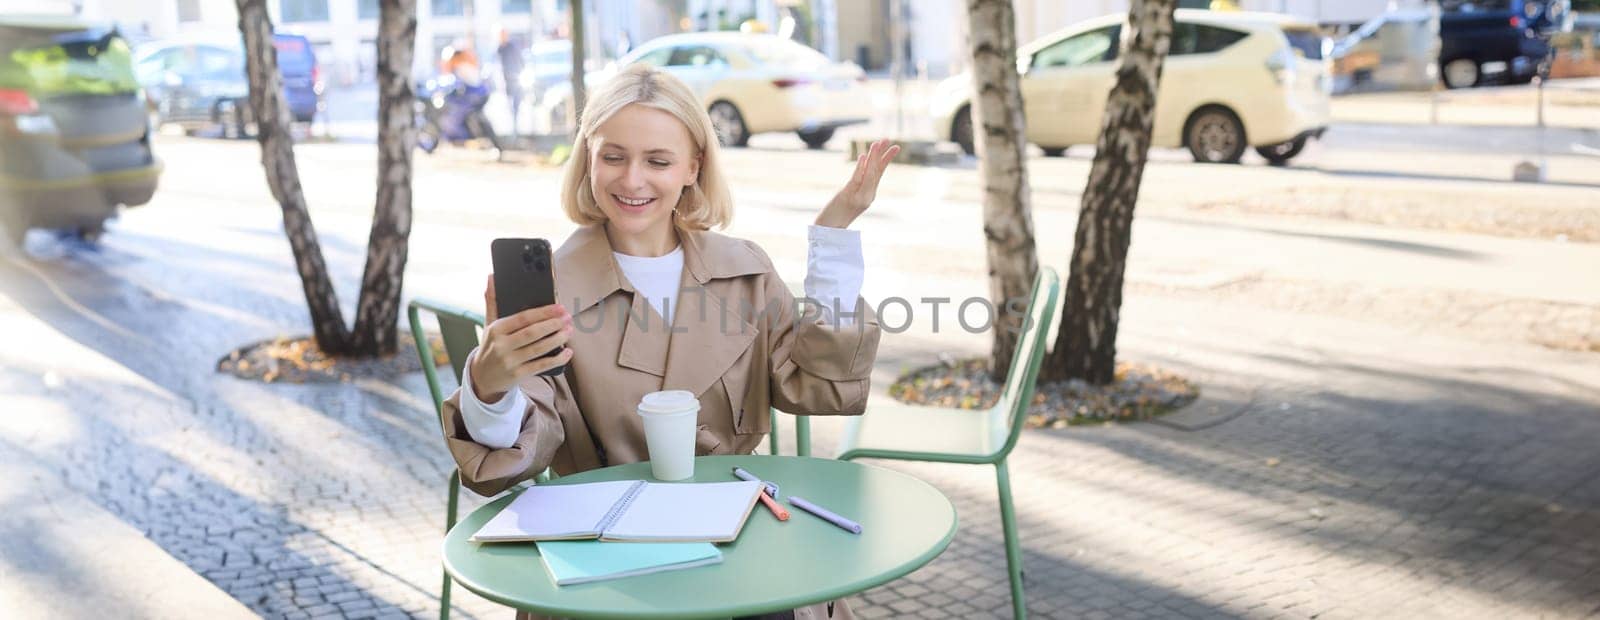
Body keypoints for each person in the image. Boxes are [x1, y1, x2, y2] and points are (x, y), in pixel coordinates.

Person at [437, 64, 899, 620]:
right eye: (613, 156)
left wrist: (834, 240)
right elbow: (508, 461)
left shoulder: (744, 271)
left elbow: (820, 389)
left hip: (738, 545)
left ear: (692, 167)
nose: (632, 181)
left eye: (657, 161)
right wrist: (490, 387)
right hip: (601, 561)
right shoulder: (553, 288)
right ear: (587, 158)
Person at [496, 27, 524, 140]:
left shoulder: (512, 47)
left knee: (516, 105)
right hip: (507, 82)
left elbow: (520, 61)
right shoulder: (500, 49)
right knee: (509, 106)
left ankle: (516, 130)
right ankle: (512, 131)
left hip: (516, 80)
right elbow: (498, 65)